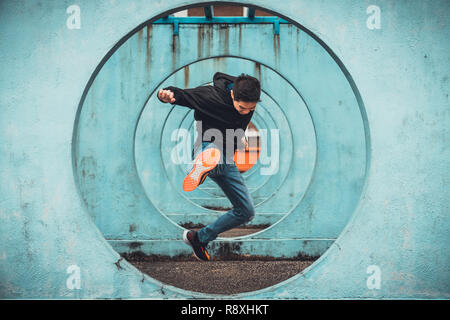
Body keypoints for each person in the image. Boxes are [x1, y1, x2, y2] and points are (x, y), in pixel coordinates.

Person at [157, 72, 261, 261]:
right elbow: (182, 95)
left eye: (250, 109)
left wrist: (240, 137)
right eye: (242, 107)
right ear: (232, 96)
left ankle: (198, 238)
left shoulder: (247, 100)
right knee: (212, 152)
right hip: (207, 144)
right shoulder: (211, 95)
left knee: (246, 211)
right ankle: (202, 163)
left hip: (227, 158)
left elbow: (238, 122)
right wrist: (167, 96)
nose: (246, 112)